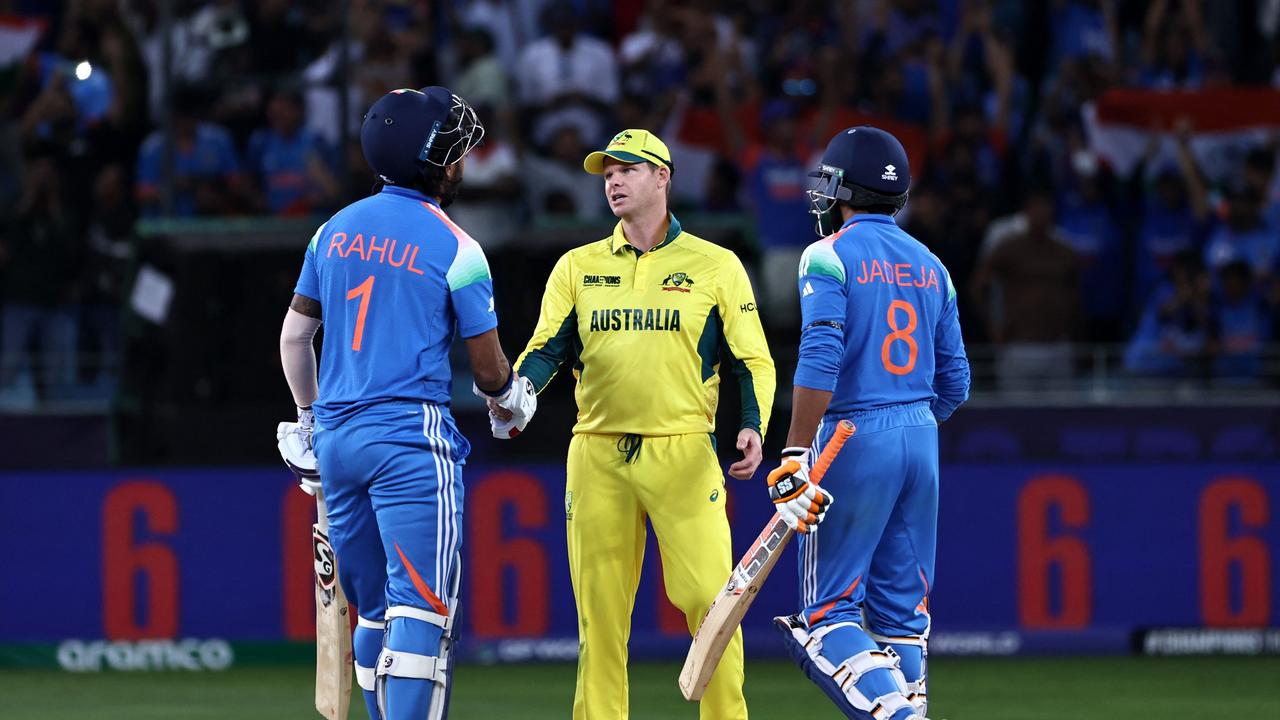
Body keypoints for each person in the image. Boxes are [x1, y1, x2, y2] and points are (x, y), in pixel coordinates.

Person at [276, 87, 536, 720]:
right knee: (421, 613)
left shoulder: (331, 232)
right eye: (456, 151)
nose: (462, 162)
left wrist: (310, 422)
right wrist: (511, 401)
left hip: (337, 441)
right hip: (410, 441)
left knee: (375, 611)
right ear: (436, 161)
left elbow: (294, 338)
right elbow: (488, 368)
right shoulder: (458, 247)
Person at [498, 129, 775, 720]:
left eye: (627, 169)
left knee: (713, 604)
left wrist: (752, 423)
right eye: (606, 174)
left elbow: (750, 358)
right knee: (599, 617)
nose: (614, 181)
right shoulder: (578, 266)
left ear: (662, 177)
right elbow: (547, 348)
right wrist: (518, 392)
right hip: (597, 451)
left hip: (683, 451)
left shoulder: (715, 264)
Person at [769, 126, 970, 720]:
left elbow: (819, 357)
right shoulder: (933, 265)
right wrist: (908, 423)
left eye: (828, 182)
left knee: (825, 616)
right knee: (903, 619)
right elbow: (956, 382)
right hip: (921, 437)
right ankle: (911, 709)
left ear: (845, 189)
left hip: (852, 439)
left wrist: (796, 454)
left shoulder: (826, 255)